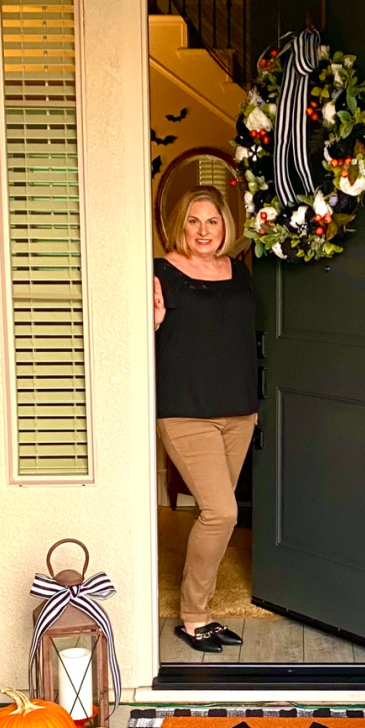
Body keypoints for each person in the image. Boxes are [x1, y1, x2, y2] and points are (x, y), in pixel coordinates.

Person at [153, 186, 258, 653]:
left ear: (225, 227)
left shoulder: (239, 273)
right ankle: (194, 615)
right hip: (185, 409)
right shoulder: (159, 272)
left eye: (211, 221)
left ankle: (205, 612)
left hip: (239, 410)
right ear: (180, 224)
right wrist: (151, 323)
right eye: (193, 221)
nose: (202, 231)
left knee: (215, 515)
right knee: (223, 512)